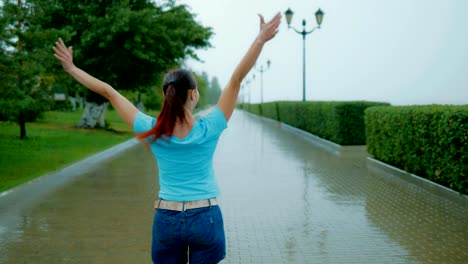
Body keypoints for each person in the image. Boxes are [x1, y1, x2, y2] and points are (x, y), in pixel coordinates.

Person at [53, 12, 281, 264]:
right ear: (193, 94)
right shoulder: (210, 127)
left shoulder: (153, 130)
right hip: (205, 216)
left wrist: (72, 68)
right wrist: (260, 40)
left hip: (167, 218)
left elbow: (109, 92)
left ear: (166, 96)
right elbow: (236, 81)